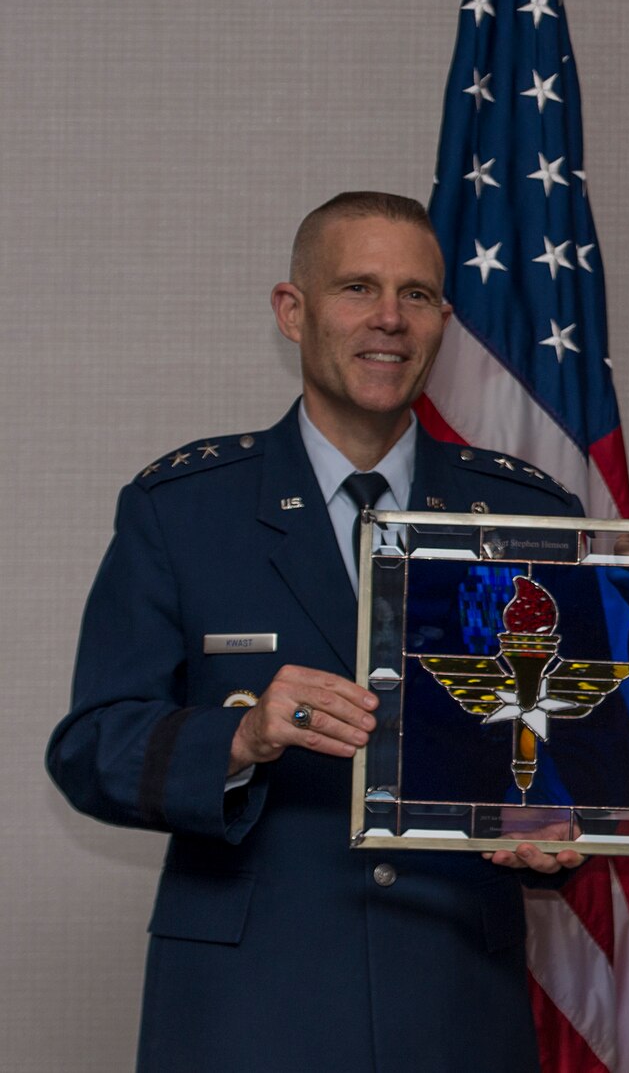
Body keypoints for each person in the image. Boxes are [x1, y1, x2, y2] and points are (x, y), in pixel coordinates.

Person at [47, 191, 585, 1073]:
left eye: (416, 295)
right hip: (248, 1011)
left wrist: (554, 835)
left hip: (452, 1007)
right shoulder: (184, 511)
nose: (389, 319)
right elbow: (90, 746)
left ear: (444, 320)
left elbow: (560, 760)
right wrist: (243, 734)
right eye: (357, 288)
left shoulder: (530, 514)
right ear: (292, 310)